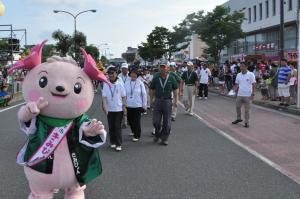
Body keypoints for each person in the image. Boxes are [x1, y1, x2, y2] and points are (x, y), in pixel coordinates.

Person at [150, 63, 178, 145]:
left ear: (167, 68)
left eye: (164, 67)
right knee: (156, 122)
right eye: (161, 67)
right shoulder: (156, 77)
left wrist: (176, 101)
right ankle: (157, 134)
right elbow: (152, 89)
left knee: (167, 123)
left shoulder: (172, 78)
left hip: (167, 101)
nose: (162, 69)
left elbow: (176, 90)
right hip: (158, 101)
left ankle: (164, 138)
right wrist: (151, 100)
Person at [102, 66, 126, 151]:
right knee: (111, 126)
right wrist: (105, 109)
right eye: (109, 73)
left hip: (119, 109)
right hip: (110, 109)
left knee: (117, 126)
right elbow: (104, 97)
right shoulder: (105, 84)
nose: (111, 75)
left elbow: (123, 96)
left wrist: (124, 107)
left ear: (116, 74)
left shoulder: (120, 84)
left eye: (113, 73)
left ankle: (119, 144)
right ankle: (112, 142)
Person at [125, 68, 147, 142]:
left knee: (136, 121)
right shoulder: (127, 82)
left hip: (137, 105)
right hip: (128, 105)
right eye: (132, 74)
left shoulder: (140, 83)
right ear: (130, 74)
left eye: (135, 74)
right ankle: (133, 131)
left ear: (137, 75)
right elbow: (124, 94)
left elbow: (144, 94)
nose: (133, 75)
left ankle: (137, 135)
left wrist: (144, 105)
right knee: (130, 120)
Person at [232, 62, 256, 128]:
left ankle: (246, 122)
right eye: (240, 66)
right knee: (237, 107)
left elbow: (254, 84)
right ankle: (239, 118)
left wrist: (253, 94)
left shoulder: (251, 74)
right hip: (240, 94)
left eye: (242, 66)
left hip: (248, 95)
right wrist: (234, 92)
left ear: (246, 67)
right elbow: (237, 84)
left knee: (247, 110)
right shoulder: (238, 75)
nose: (241, 68)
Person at [118, 63, 129, 128]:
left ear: (127, 69)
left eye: (125, 68)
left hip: (129, 95)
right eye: (123, 68)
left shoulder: (130, 76)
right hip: (121, 95)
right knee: (122, 107)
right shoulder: (119, 76)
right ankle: (123, 122)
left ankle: (126, 121)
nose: (124, 70)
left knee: (127, 108)